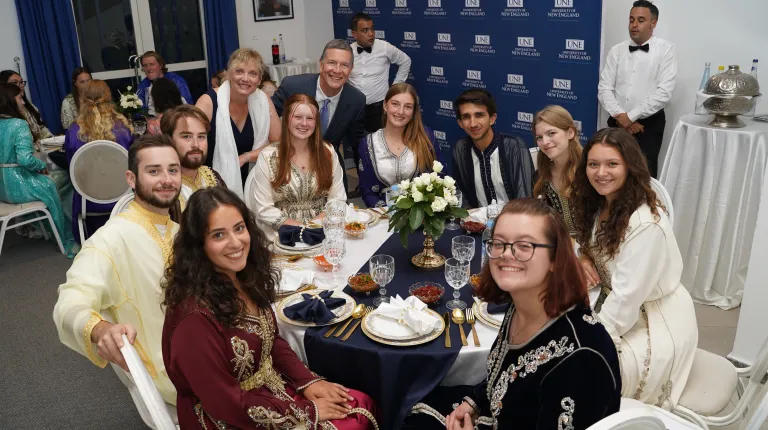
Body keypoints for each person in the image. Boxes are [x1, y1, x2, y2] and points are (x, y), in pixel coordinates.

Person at [161, 186, 378, 429]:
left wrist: (307, 382)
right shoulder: (193, 320)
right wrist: (308, 412)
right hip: (228, 417)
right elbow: (224, 403)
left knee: (359, 403)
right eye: (218, 235)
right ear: (198, 245)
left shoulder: (242, 277)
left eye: (239, 228)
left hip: (267, 388)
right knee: (352, 422)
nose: (235, 243)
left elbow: (271, 340)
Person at [405, 198, 621, 429]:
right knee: (407, 401)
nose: (507, 254)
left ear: (555, 259)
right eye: (499, 243)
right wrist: (475, 402)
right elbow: (505, 374)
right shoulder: (522, 301)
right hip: (500, 413)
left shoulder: (579, 358)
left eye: (525, 246)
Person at [53, 135, 182, 427]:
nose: (166, 179)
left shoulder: (178, 231)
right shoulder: (110, 240)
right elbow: (69, 303)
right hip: (174, 372)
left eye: (173, 170)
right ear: (131, 178)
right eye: (154, 171)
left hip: (207, 347)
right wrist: (100, 329)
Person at [571, 127, 697, 409]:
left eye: (612, 164)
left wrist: (590, 344)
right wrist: (584, 258)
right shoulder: (602, 202)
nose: (601, 172)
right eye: (593, 164)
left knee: (579, 373)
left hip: (653, 321)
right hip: (616, 306)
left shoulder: (645, 224)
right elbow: (588, 244)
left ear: (630, 166)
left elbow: (625, 301)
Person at [272, 39, 366, 196]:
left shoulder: (356, 100)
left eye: (344, 65)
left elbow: (358, 144)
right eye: (331, 63)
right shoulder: (292, 86)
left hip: (329, 167)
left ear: (351, 69)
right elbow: (266, 118)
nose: (337, 70)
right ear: (321, 64)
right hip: (289, 166)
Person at [250, 93, 346, 240]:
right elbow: (263, 209)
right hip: (282, 235)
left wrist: (313, 227)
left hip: (323, 230)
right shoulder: (268, 156)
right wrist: (301, 230)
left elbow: (337, 198)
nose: (304, 123)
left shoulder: (328, 152)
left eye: (310, 118)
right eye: (298, 117)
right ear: (287, 119)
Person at [597, 0, 676, 178]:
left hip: (649, 125)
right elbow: (604, 88)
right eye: (631, 19)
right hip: (617, 121)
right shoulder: (616, 50)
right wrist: (622, 117)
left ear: (653, 23)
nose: (634, 24)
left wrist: (630, 117)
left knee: (643, 175)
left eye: (640, 20)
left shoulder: (666, 50)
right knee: (611, 173)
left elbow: (664, 93)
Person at [0, 83, 77, 257]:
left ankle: (45, 227)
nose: (23, 101)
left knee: (57, 179)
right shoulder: (18, 124)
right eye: (19, 97)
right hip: (19, 187)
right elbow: (25, 159)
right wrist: (42, 167)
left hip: (2, 189)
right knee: (64, 177)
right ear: (10, 100)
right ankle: (66, 237)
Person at [196, 48, 281, 197]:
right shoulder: (208, 102)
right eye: (239, 71)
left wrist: (247, 157)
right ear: (228, 74)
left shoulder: (263, 102)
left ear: (260, 80)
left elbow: (279, 145)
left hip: (254, 184)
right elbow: (191, 144)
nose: (245, 79)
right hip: (211, 186)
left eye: (253, 73)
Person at [64, 79, 134, 243]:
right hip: (122, 198)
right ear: (108, 97)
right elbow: (133, 163)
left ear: (82, 98)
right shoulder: (123, 128)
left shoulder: (74, 131)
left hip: (89, 201)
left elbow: (73, 168)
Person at [358, 83, 441, 208]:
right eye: (395, 104)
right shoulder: (368, 143)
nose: (400, 111)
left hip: (422, 214)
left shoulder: (426, 137)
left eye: (408, 107)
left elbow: (441, 178)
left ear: (413, 112)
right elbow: (367, 191)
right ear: (385, 106)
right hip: (384, 215)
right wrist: (389, 211)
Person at [451, 89, 534, 209]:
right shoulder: (461, 149)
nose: (473, 123)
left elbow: (525, 199)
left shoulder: (513, 146)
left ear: (492, 118)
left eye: (479, 115)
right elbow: (461, 197)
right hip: (475, 224)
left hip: (513, 223)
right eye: (466, 117)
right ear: (460, 123)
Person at [348, 13, 411, 134]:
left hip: (378, 110)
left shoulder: (384, 47)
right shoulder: (348, 51)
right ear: (354, 34)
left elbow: (405, 61)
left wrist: (395, 87)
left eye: (372, 28)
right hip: (355, 110)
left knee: (380, 148)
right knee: (358, 148)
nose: (371, 33)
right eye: (365, 30)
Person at [532, 105, 582, 236]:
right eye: (539, 137)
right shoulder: (540, 176)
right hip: (557, 246)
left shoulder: (589, 171)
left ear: (570, 133)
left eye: (551, 133)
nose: (545, 142)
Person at [160, 104, 225, 202]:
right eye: (186, 136)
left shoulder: (213, 177)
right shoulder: (162, 187)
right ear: (169, 140)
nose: (196, 145)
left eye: (201, 137)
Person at [0, 70, 53, 146]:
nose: (20, 85)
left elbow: (41, 128)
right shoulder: (5, 118)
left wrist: (51, 139)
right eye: (14, 83)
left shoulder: (31, 107)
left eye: (21, 82)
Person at [136, 51, 192, 116]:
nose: (148, 68)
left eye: (152, 64)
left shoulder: (176, 81)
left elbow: (188, 108)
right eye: (145, 66)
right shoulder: (143, 85)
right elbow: (138, 110)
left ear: (160, 65)